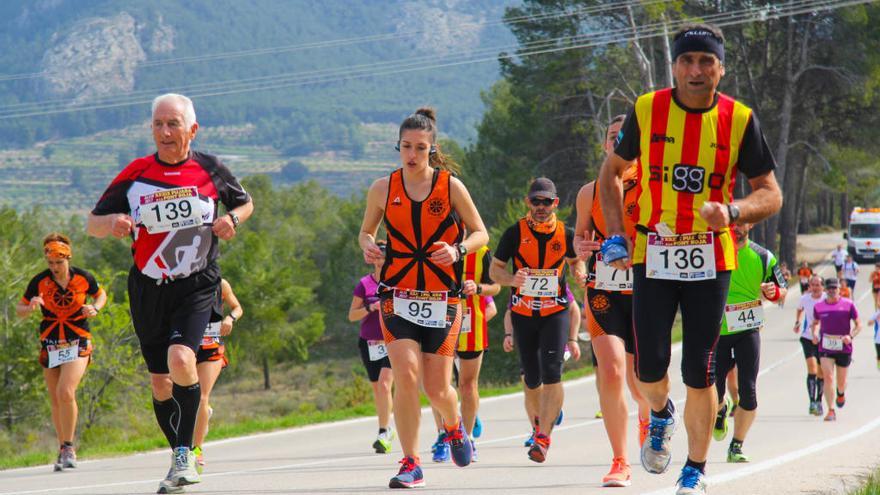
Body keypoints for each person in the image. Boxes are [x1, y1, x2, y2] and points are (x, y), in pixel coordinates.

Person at [597, 23, 782, 495]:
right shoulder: (647, 109)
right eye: (687, 61)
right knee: (649, 369)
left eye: (706, 62)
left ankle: (695, 470)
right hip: (652, 252)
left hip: (712, 256)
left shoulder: (739, 118)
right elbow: (612, 173)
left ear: (721, 68)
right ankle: (660, 414)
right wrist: (617, 235)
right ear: (674, 66)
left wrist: (734, 210)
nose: (695, 71)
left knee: (700, 367)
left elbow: (771, 193)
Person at [87, 93, 253, 494]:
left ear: (192, 130)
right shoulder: (136, 173)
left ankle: (186, 454)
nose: (165, 132)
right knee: (161, 384)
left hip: (197, 283)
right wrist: (113, 223)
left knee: (182, 358)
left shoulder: (210, 169)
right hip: (148, 288)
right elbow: (92, 223)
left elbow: (246, 203)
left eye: (173, 124)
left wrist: (231, 218)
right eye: (159, 124)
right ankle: (178, 453)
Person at [359, 107, 488, 488]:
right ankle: (411, 461)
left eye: (419, 147)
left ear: (432, 149)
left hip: (442, 299)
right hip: (396, 296)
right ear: (397, 147)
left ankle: (453, 427)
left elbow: (480, 232)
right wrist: (369, 246)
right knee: (405, 375)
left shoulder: (450, 187)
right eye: (405, 147)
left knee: (437, 388)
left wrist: (459, 251)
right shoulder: (383, 188)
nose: (411, 155)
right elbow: (366, 231)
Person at [574, 114, 651, 487]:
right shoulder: (589, 192)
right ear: (605, 146)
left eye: (626, 136)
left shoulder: (652, 186)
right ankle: (620, 459)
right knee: (612, 370)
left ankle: (648, 417)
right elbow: (578, 242)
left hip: (646, 291)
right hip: (602, 290)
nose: (618, 141)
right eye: (612, 136)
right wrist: (582, 247)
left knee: (641, 384)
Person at [490, 177, 584, 464]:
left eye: (547, 202)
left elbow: (574, 261)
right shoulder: (514, 233)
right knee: (531, 378)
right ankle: (537, 426)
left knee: (552, 371)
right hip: (523, 313)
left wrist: (579, 272)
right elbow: (495, 271)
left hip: (555, 311)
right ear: (527, 202)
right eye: (536, 201)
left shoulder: (566, 234)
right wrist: (510, 279)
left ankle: (544, 437)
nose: (541, 207)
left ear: (555, 203)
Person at [16, 234, 107, 472]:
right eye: (51, 263)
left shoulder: (83, 277)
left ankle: (69, 446)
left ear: (68, 257)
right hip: (51, 342)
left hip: (78, 339)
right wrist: (31, 305)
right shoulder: (40, 281)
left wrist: (94, 308)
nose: (55, 268)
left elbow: (101, 294)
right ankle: (62, 447)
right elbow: (20, 308)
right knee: (56, 398)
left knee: (66, 391)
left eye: (59, 262)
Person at [711, 222, 786, 463]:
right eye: (732, 224)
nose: (737, 229)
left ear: (750, 225)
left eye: (741, 224)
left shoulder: (764, 257)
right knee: (713, 390)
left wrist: (773, 291)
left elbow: (782, 289)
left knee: (749, 390)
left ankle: (736, 445)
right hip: (718, 330)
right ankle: (720, 409)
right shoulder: (713, 251)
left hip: (748, 328)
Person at [430, 244, 499, 463]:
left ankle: (467, 438)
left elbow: (495, 286)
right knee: (440, 384)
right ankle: (443, 434)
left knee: (468, 385)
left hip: (471, 325)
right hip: (439, 319)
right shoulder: (435, 244)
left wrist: (478, 288)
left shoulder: (481, 251)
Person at [503, 289, 579, 448]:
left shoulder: (556, 279)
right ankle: (538, 425)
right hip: (531, 338)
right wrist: (508, 335)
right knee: (528, 381)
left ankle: (546, 418)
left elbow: (574, 309)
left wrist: (572, 339)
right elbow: (509, 312)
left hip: (554, 339)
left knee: (550, 377)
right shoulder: (522, 283)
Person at [349, 240, 395, 454]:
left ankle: (384, 432)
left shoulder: (397, 281)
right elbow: (352, 315)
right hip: (369, 342)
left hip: (393, 341)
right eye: (376, 255)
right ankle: (386, 427)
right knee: (378, 389)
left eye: (383, 255)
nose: (379, 259)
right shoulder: (365, 284)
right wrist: (371, 306)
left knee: (385, 384)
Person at [192, 278, 242, 470]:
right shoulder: (179, 283)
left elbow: (237, 307)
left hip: (211, 346)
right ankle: (203, 415)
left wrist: (230, 318)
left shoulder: (220, 284)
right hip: (186, 346)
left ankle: (196, 450)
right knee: (183, 397)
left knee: (202, 396)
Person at [811, 277, 861, 421]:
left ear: (839, 289)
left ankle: (840, 393)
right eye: (830, 288)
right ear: (825, 290)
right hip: (826, 346)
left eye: (835, 288)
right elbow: (815, 323)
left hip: (844, 347)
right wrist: (815, 333)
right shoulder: (819, 307)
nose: (832, 291)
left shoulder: (848, 305)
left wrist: (850, 336)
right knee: (828, 376)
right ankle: (831, 410)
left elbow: (858, 325)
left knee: (841, 381)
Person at [793, 275, 827, 416]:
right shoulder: (804, 298)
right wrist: (798, 322)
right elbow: (800, 309)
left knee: (821, 372)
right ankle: (812, 402)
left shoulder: (826, 298)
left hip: (824, 338)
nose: (815, 287)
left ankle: (819, 401)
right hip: (807, 337)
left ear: (822, 286)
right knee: (812, 369)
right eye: (812, 284)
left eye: (818, 284)